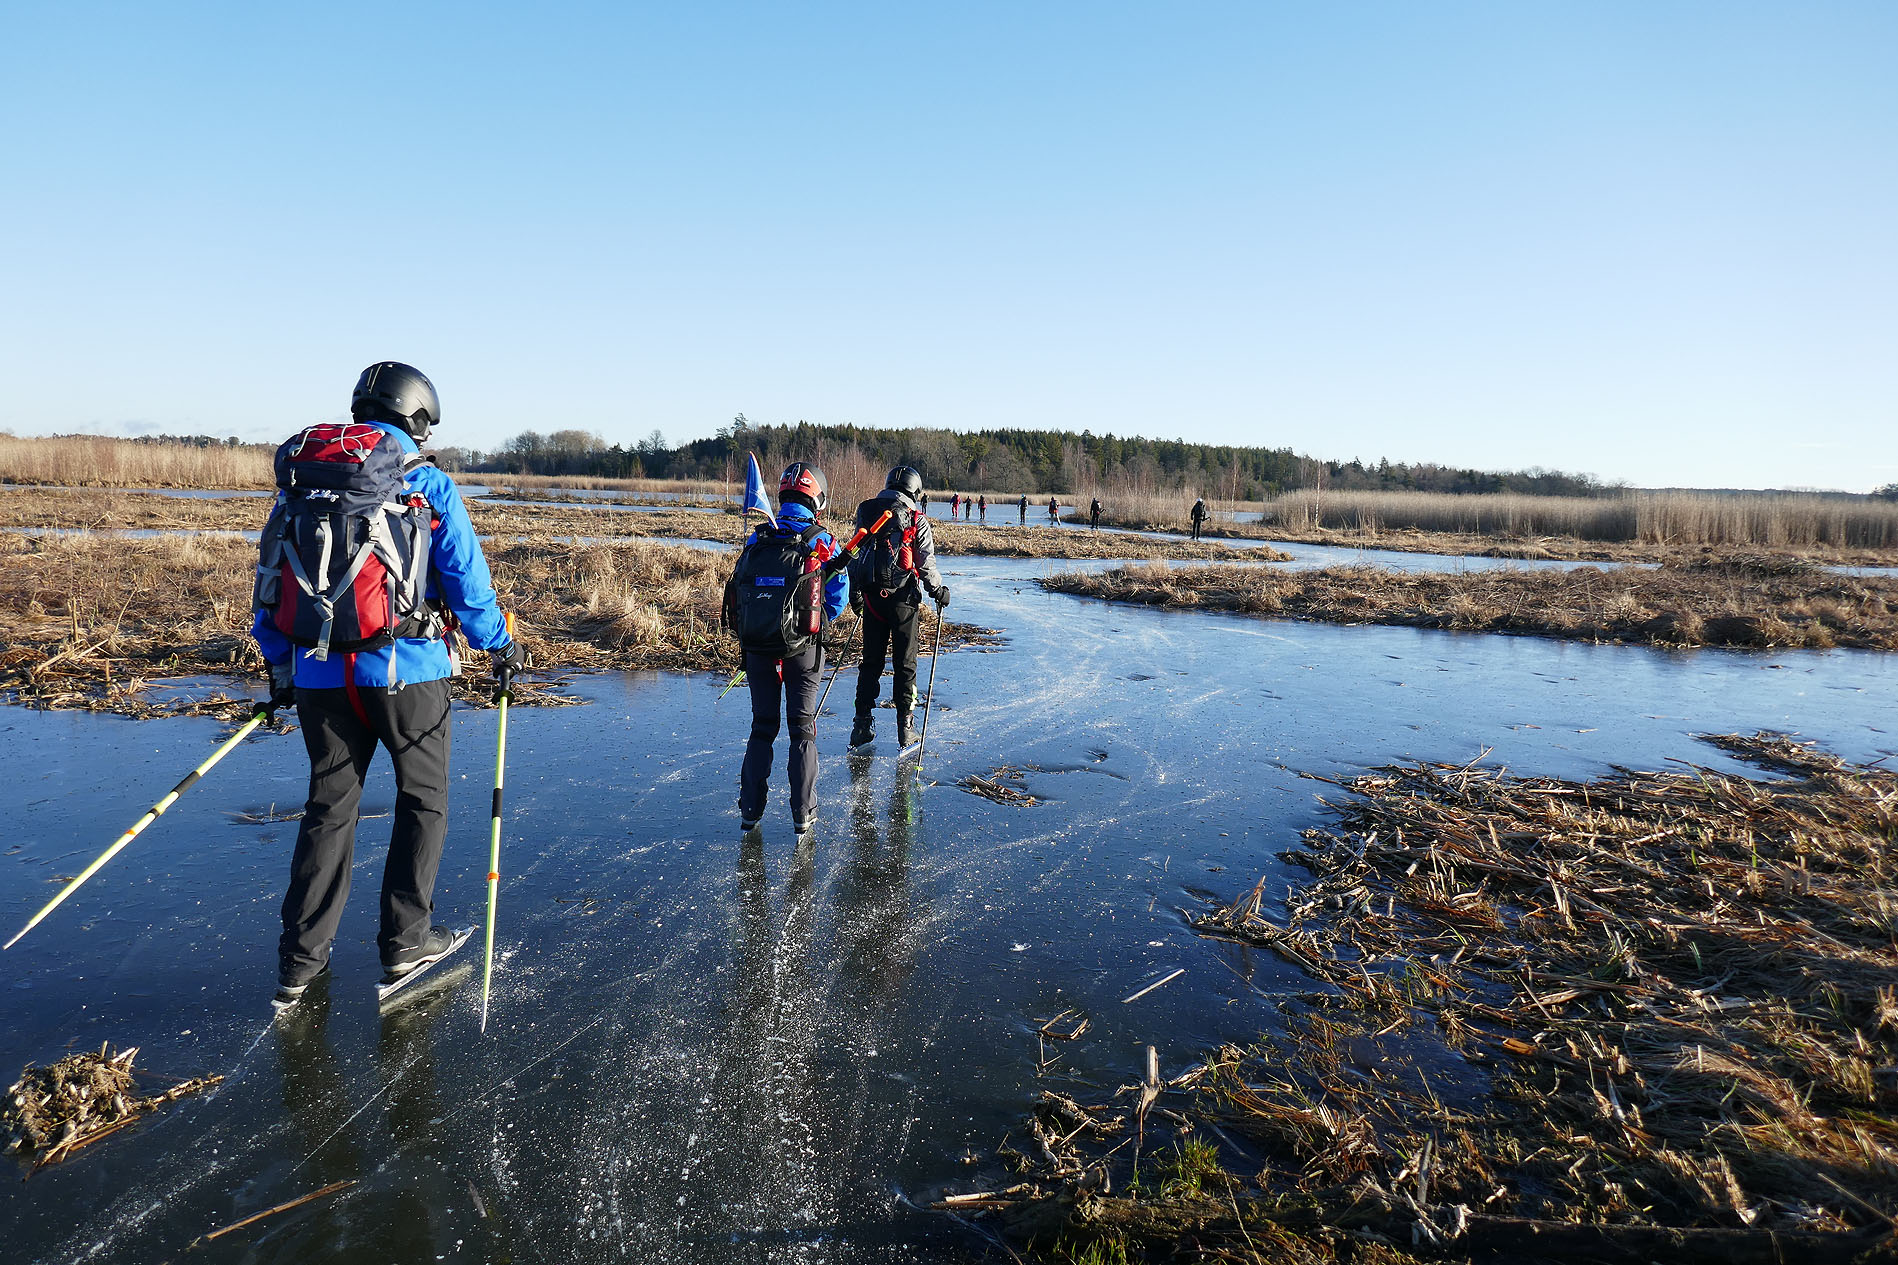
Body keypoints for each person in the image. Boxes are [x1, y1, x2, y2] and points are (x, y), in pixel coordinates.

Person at [254, 362, 525, 1012]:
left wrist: (285, 671)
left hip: (322, 678)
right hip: (409, 676)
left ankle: (299, 962)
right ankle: (406, 941)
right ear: (419, 418)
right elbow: (466, 581)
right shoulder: (428, 484)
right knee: (424, 798)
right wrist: (500, 644)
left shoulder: (305, 488)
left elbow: (271, 588)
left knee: (329, 808)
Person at [726, 462, 850, 835]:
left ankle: (750, 811)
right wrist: (813, 620)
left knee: (762, 726)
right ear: (817, 499)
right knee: (802, 728)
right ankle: (803, 814)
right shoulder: (820, 540)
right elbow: (838, 596)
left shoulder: (757, 537)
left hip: (758, 646)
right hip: (804, 649)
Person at [847, 466, 948, 752]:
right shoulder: (916, 518)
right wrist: (938, 591)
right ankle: (906, 728)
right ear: (915, 490)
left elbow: (856, 551)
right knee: (905, 664)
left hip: (872, 599)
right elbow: (926, 563)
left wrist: (855, 592)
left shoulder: (867, 511)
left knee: (870, 663)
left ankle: (861, 725)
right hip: (903, 601)